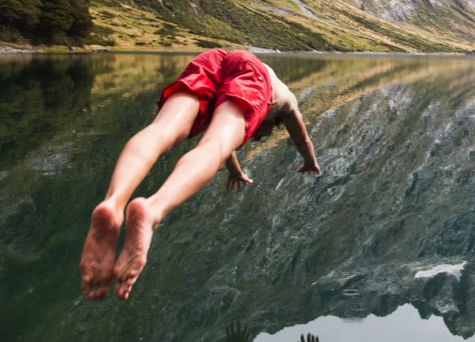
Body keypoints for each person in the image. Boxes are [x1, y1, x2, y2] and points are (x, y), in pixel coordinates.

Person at [79, 49, 320, 301]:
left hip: (212, 59)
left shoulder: (244, 87)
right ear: (273, 122)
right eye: (262, 133)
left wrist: (235, 172)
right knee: (215, 145)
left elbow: (228, 150)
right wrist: (310, 161)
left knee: (162, 129)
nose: (257, 137)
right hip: (252, 73)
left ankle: (113, 202)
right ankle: (153, 210)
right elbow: (302, 139)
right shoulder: (286, 102)